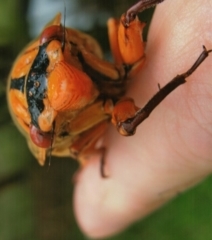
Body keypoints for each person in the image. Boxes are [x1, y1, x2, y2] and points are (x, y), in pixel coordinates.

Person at [74, 0, 212, 238]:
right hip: (105, 115)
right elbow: (78, 147)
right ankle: (183, 76)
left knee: (130, 17)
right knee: (128, 124)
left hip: (115, 80)